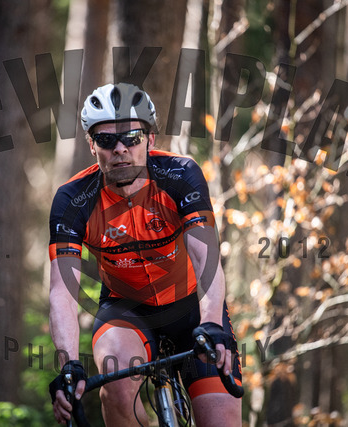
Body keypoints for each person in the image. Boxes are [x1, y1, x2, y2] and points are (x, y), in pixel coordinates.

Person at [48, 83, 242, 426]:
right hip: (125, 309)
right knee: (118, 387)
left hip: (191, 305)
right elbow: (62, 290)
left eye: (132, 137)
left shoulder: (180, 174)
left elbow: (206, 258)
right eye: (106, 140)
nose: (120, 149)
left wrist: (212, 322)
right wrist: (68, 365)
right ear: (92, 146)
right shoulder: (72, 199)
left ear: (150, 139)